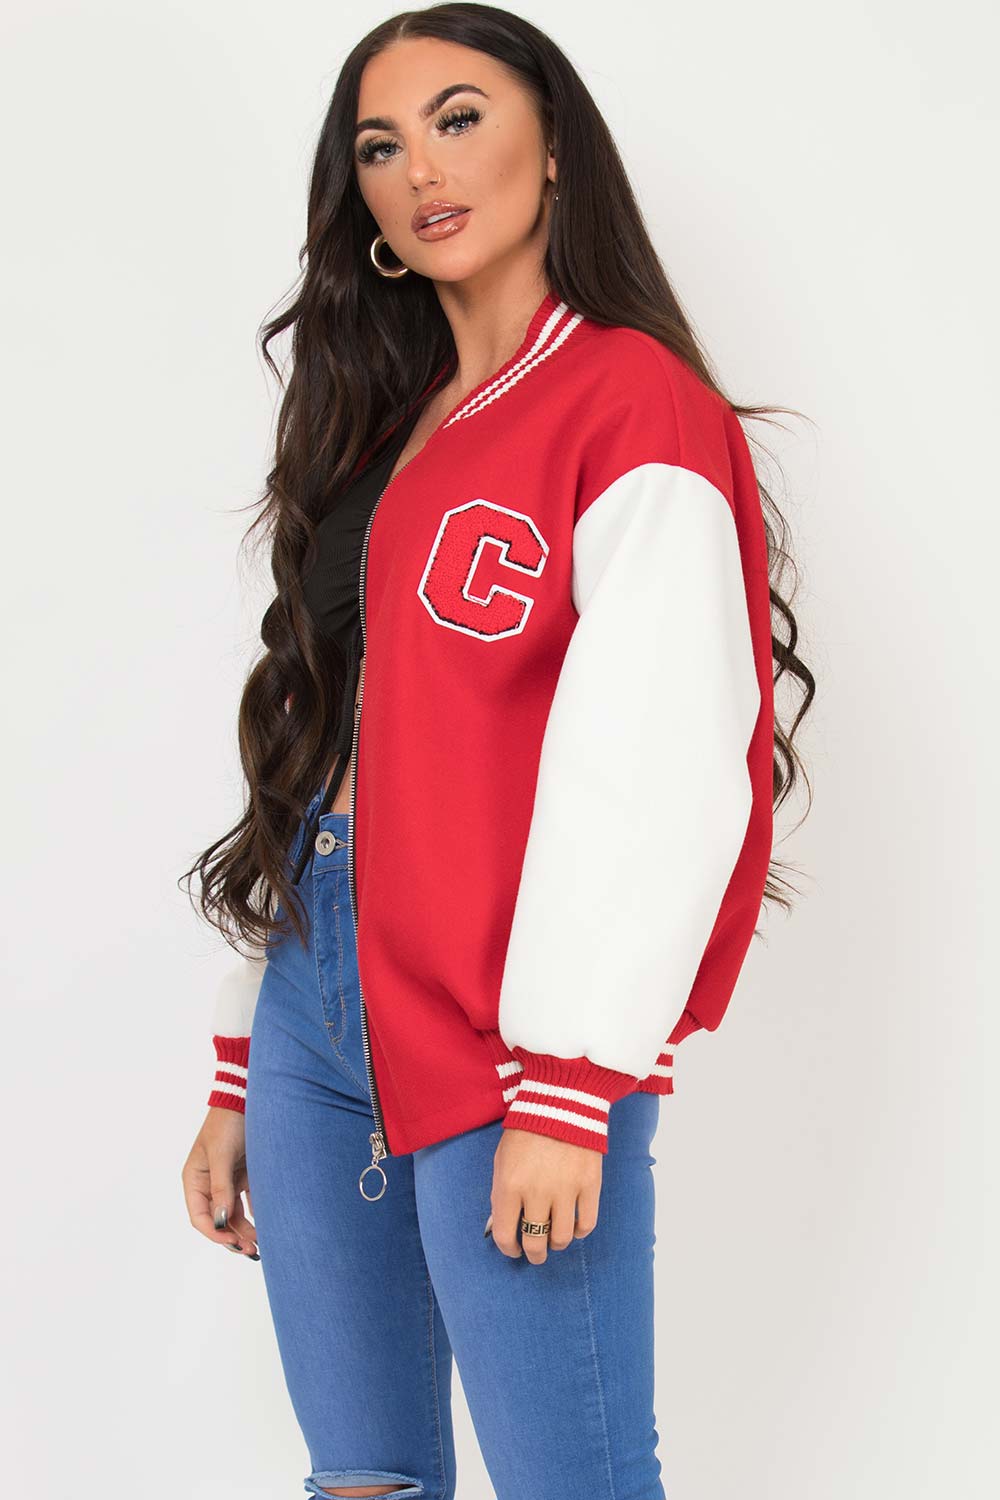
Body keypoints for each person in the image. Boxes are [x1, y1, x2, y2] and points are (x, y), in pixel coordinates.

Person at [179, 6, 814, 1498]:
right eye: (380, 145)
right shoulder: (386, 423)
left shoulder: (632, 402)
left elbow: (661, 754)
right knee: (362, 1480)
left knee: (572, 1479)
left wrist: (574, 1079)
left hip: (505, 1013)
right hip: (316, 995)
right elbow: (326, 734)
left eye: (459, 119)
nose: (421, 168)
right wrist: (241, 1048)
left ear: (555, 148)